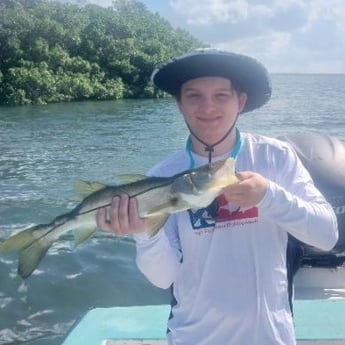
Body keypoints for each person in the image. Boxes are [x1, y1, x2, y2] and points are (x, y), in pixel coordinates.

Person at [96, 48, 338, 345]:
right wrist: (143, 234)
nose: (207, 107)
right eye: (194, 95)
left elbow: (327, 236)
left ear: (241, 102)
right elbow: (163, 278)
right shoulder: (162, 175)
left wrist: (268, 196)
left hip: (270, 337)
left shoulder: (275, 157)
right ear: (179, 104)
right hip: (192, 337)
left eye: (221, 95)